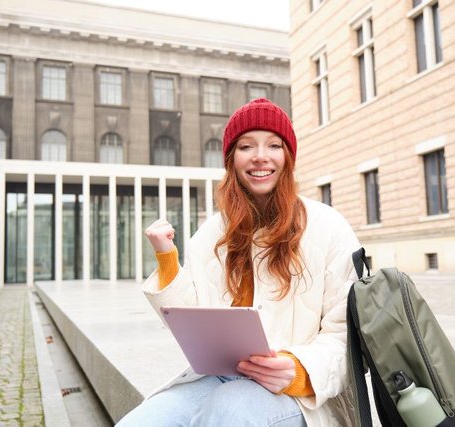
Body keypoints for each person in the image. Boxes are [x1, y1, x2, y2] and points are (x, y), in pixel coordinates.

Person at [116, 98, 361, 426]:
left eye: (273, 145)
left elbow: (346, 335)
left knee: (228, 410)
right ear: (232, 160)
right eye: (247, 146)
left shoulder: (328, 226)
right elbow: (195, 321)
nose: (260, 156)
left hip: (302, 397)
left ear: (288, 157)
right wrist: (167, 262)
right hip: (219, 378)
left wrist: (299, 369)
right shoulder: (210, 234)